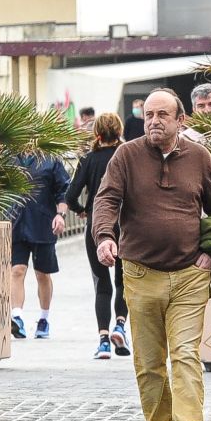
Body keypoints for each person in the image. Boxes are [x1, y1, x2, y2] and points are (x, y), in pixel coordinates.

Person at [92, 88, 211, 421]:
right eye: (149, 114)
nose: (154, 121)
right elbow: (106, 199)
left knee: (185, 353)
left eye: (162, 115)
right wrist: (105, 237)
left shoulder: (199, 157)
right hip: (140, 272)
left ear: (180, 121)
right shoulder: (126, 155)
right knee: (150, 361)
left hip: (189, 274)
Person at [65, 113, 130, 359]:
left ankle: (103, 341)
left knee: (102, 284)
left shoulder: (88, 160)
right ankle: (120, 326)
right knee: (123, 281)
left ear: (97, 133)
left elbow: (71, 196)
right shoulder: (127, 156)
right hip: (125, 224)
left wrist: (83, 211)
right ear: (119, 130)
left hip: (96, 224)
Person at [9, 153, 70, 340]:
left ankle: (44, 318)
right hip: (16, 222)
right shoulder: (9, 156)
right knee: (17, 270)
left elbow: (64, 190)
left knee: (42, 274)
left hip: (43, 223)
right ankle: (16, 316)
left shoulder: (50, 158)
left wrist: (60, 215)